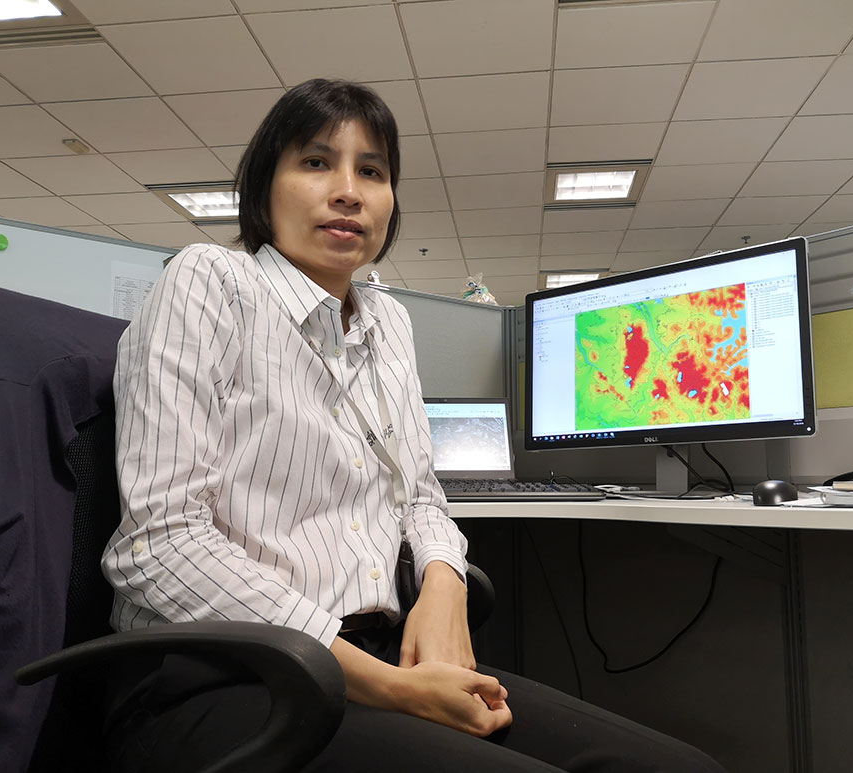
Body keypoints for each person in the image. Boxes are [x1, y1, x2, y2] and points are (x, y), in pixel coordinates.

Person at [101, 78, 726, 773]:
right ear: (263, 187)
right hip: (227, 676)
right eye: (315, 162)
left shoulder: (386, 322)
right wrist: (389, 686)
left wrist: (444, 583)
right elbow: (159, 543)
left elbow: (420, 494)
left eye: (373, 171)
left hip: (378, 657)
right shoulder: (210, 281)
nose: (349, 191)